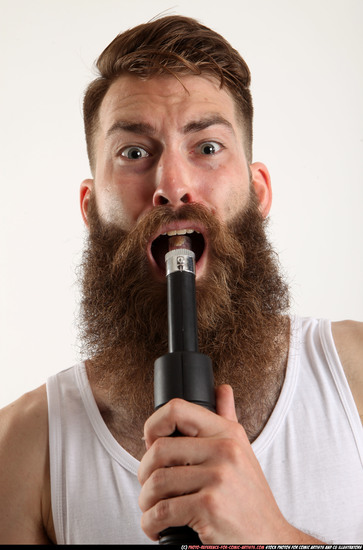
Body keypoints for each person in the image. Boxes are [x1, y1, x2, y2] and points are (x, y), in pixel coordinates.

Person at [0, 15, 362, 545]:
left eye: (208, 147)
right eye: (134, 153)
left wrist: (265, 536)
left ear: (259, 193)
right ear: (89, 206)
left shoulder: (355, 374)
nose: (172, 185)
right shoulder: (24, 447)